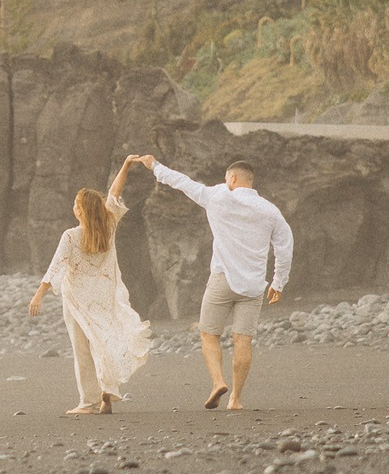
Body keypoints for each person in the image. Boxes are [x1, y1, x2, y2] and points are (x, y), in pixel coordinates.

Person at [134, 154, 292, 411]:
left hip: (222, 279)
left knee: (209, 334)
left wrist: (154, 165)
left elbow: (182, 182)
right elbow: (285, 247)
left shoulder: (219, 197)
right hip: (253, 286)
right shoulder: (270, 210)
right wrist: (278, 282)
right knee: (243, 340)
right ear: (250, 181)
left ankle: (218, 381)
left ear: (231, 178)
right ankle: (236, 399)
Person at [27, 157, 151, 415]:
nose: (74, 206)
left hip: (77, 299)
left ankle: (88, 402)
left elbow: (56, 266)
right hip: (103, 294)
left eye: (76, 204)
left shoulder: (71, 236)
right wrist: (126, 166)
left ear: (81, 210)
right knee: (102, 341)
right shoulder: (109, 226)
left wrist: (38, 295)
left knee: (83, 349)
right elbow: (115, 192)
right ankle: (106, 390)